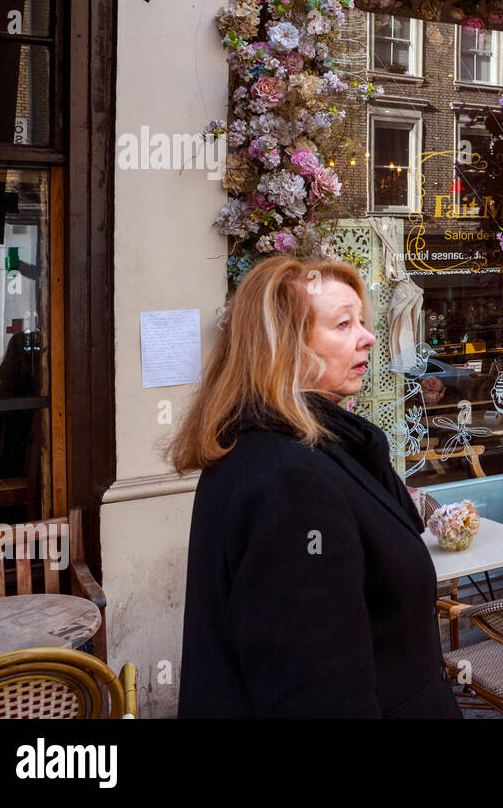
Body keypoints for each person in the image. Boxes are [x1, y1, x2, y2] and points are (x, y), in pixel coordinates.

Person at [172, 256, 460, 719]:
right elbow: (318, 693)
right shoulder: (291, 481)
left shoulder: (289, 452)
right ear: (283, 347)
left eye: (362, 322)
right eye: (343, 324)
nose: (367, 337)